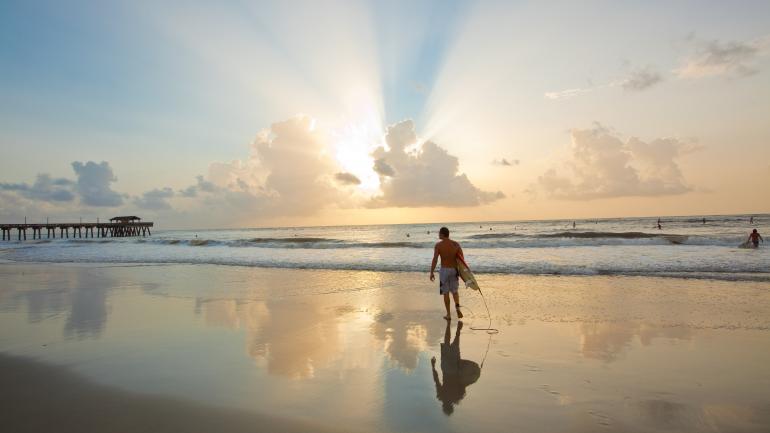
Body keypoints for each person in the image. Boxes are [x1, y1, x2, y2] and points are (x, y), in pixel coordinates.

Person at [430, 320, 480, 416]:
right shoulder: (442, 396)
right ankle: (449, 324)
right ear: (444, 406)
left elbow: (463, 384)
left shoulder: (457, 397)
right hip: (446, 369)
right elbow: (436, 380)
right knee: (447, 342)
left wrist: (469, 372)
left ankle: (458, 330)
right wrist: (433, 366)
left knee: (455, 346)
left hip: (454, 370)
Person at [430, 226, 464, 320]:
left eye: (439, 233)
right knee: (455, 291)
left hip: (444, 271)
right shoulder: (456, 244)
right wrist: (462, 273)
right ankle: (457, 308)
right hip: (454, 270)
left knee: (446, 293)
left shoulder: (438, 245)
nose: (438, 234)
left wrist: (431, 272)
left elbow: (435, 259)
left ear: (442, 234)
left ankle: (448, 314)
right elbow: (462, 259)